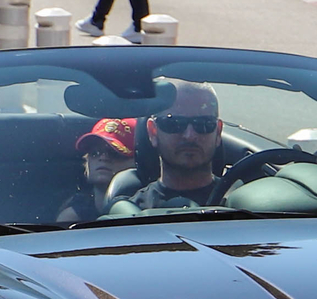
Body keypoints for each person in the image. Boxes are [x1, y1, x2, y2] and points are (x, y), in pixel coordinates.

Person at [124, 83, 225, 211]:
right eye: (174, 124)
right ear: (153, 132)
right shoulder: (132, 214)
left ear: (218, 132)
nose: (190, 135)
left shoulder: (243, 205)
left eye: (203, 124)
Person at [56, 117, 137, 222]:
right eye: (95, 153)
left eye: (114, 153)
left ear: (137, 162)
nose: (103, 158)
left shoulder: (149, 205)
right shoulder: (73, 217)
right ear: (86, 163)